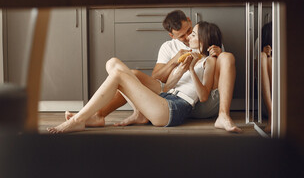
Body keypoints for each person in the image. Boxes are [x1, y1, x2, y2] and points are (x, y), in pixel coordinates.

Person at [66, 10, 241, 133]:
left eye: (192, 33)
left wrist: (193, 69)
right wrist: (180, 68)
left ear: (202, 37)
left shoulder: (209, 59)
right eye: (185, 35)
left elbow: (203, 95)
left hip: (176, 107)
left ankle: (78, 120)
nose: (188, 37)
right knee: (113, 64)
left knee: (119, 75)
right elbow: (165, 87)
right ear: (172, 35)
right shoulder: (173, 50)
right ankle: (94, 116)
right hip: (166, 97)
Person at [260, 22, 272, 133]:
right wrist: (266, 54)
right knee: (264, 57)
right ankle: (272, 115)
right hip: (266, 98)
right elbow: (255, 72)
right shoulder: (259, 44)